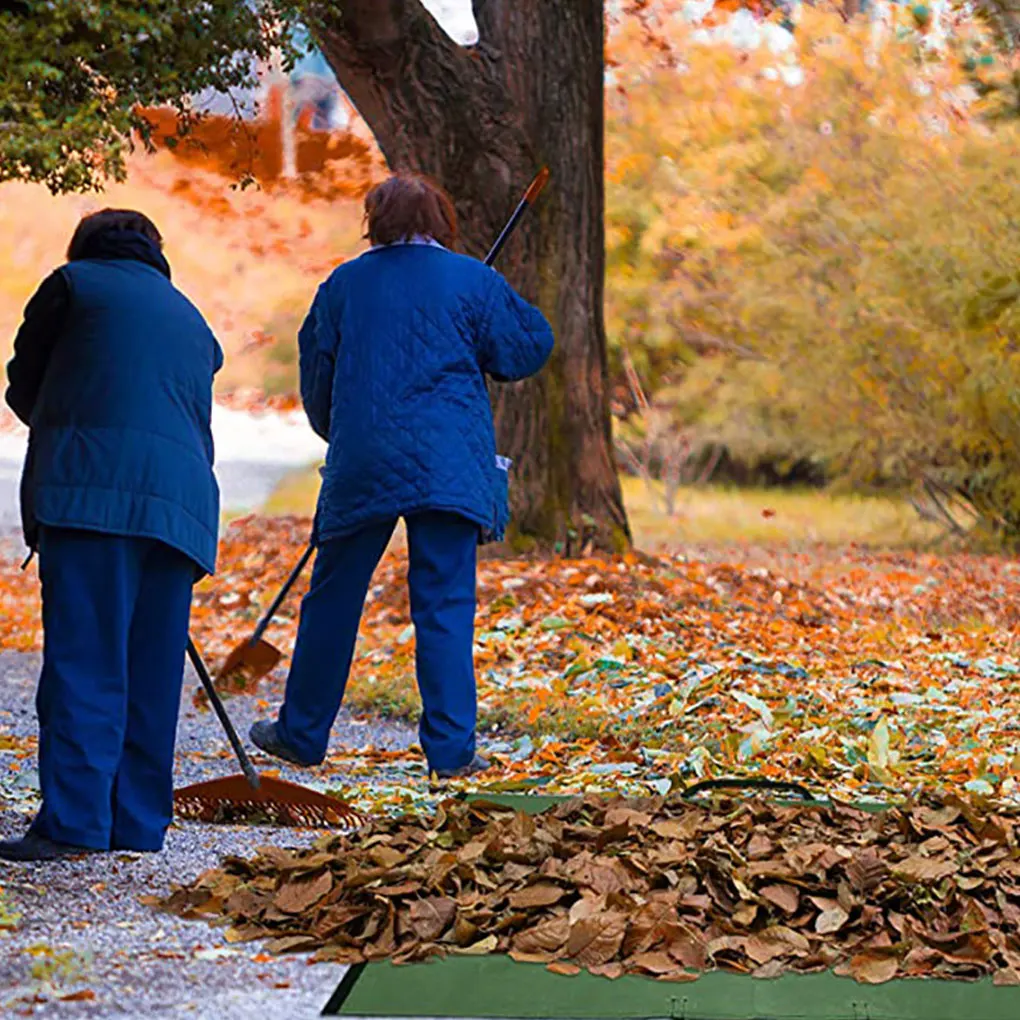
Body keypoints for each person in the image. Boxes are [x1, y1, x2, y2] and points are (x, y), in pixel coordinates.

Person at [250, 174, 554, 779]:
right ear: (443, 222)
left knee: (333, 596)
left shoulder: (342, 285)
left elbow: (318, 380)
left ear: (375, 222)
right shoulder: (474, 281)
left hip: (362, 457)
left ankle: (302, 732)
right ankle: (451, 752)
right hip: (450, 462)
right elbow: (527, 350)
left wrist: (340, 432)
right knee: (444, 602)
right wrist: (487, 308)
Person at [0, 210, 222, 863]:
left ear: (86, 247)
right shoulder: (192, 318)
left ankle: (74, 823)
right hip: (180, 508)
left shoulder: (73, 285)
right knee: (151, 671)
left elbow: (23, 385)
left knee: (87, 660)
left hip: (92, 495)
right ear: (156, 253)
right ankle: (136, 823)